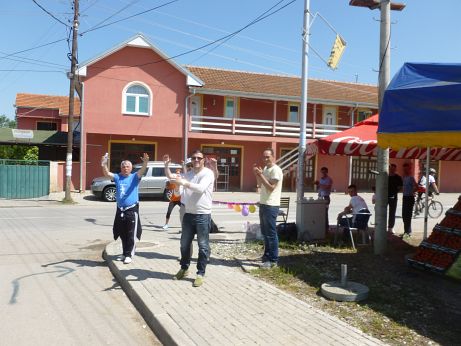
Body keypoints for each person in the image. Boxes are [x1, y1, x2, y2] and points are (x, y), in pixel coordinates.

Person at [164, 150, 215, 287]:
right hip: (188, 214)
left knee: (203, 246)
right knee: (184, 244)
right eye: (194, 158)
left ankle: (200, 273)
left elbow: (200, 188)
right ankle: (184, 268)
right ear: (191, 160)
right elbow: (178, 188)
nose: (196, 160)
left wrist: (183, 183)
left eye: (199, 158)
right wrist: (174, 182)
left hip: (203, 215)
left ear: (204, 159)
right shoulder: (188, 174)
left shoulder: (208, 173)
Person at [101, 152, 149, 264]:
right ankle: (124, 253)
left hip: (131, 209)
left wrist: (145, 162)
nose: (125, 168)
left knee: (131, 233)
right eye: (123, 166)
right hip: (120, 209)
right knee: (122, 233)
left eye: (127, 166)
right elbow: (107, 174)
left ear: (131, 168)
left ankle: (129, 255)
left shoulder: (134, 177)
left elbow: (142, 171)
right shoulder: (118, 177)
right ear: (121, 168)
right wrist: (103, 164)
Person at [253, 148, 284, 269]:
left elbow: (271, 187)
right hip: (264, 204)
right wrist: (257, 174)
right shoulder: (266, 169)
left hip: (271, 205)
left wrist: (260, 174)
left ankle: (273, 260)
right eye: (264, 157)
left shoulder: (276, 170)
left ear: (273, 157)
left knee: (271, 233)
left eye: (268, 157)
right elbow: (260, 185)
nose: (265, 159)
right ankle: (266, 256)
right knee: (265, 233)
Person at [401, 162, 418, 238]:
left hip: (410, 198)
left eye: (406, 169)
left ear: (409, 170)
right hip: (404, 197)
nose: (405, 171)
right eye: (404, 169)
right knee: (404, 215)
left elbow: (416, 187)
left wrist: (412, 192)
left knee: (408, 215)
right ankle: (406, 231)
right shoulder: (403, 177)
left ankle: (408, 232)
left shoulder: (411, 178)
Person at [314, 166, 333, 230]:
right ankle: (321, 226)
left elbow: (327, 187)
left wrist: (319, 184)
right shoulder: (321, 179)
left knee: (325, 212)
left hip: (326, 197)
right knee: (320, 212)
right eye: (322, 172)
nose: (323, 173)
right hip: (320, 196)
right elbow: (320, 188)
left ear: (327, 172)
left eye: (324, 172)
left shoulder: (329, 179)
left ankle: (326, 227)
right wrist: (317, 185)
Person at [387, 163, 403, 234]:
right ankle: (381, 226)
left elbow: (400, 186)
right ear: (389, 169)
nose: (392, 170)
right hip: (384, 196)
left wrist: (396, 191)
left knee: (392, 212)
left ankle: (390, 228)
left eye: (394, 169)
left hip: (393, 196)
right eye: (391, 168)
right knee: (382, 212)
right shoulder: (385, 176)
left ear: (395, 169)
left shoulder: (398, 177)